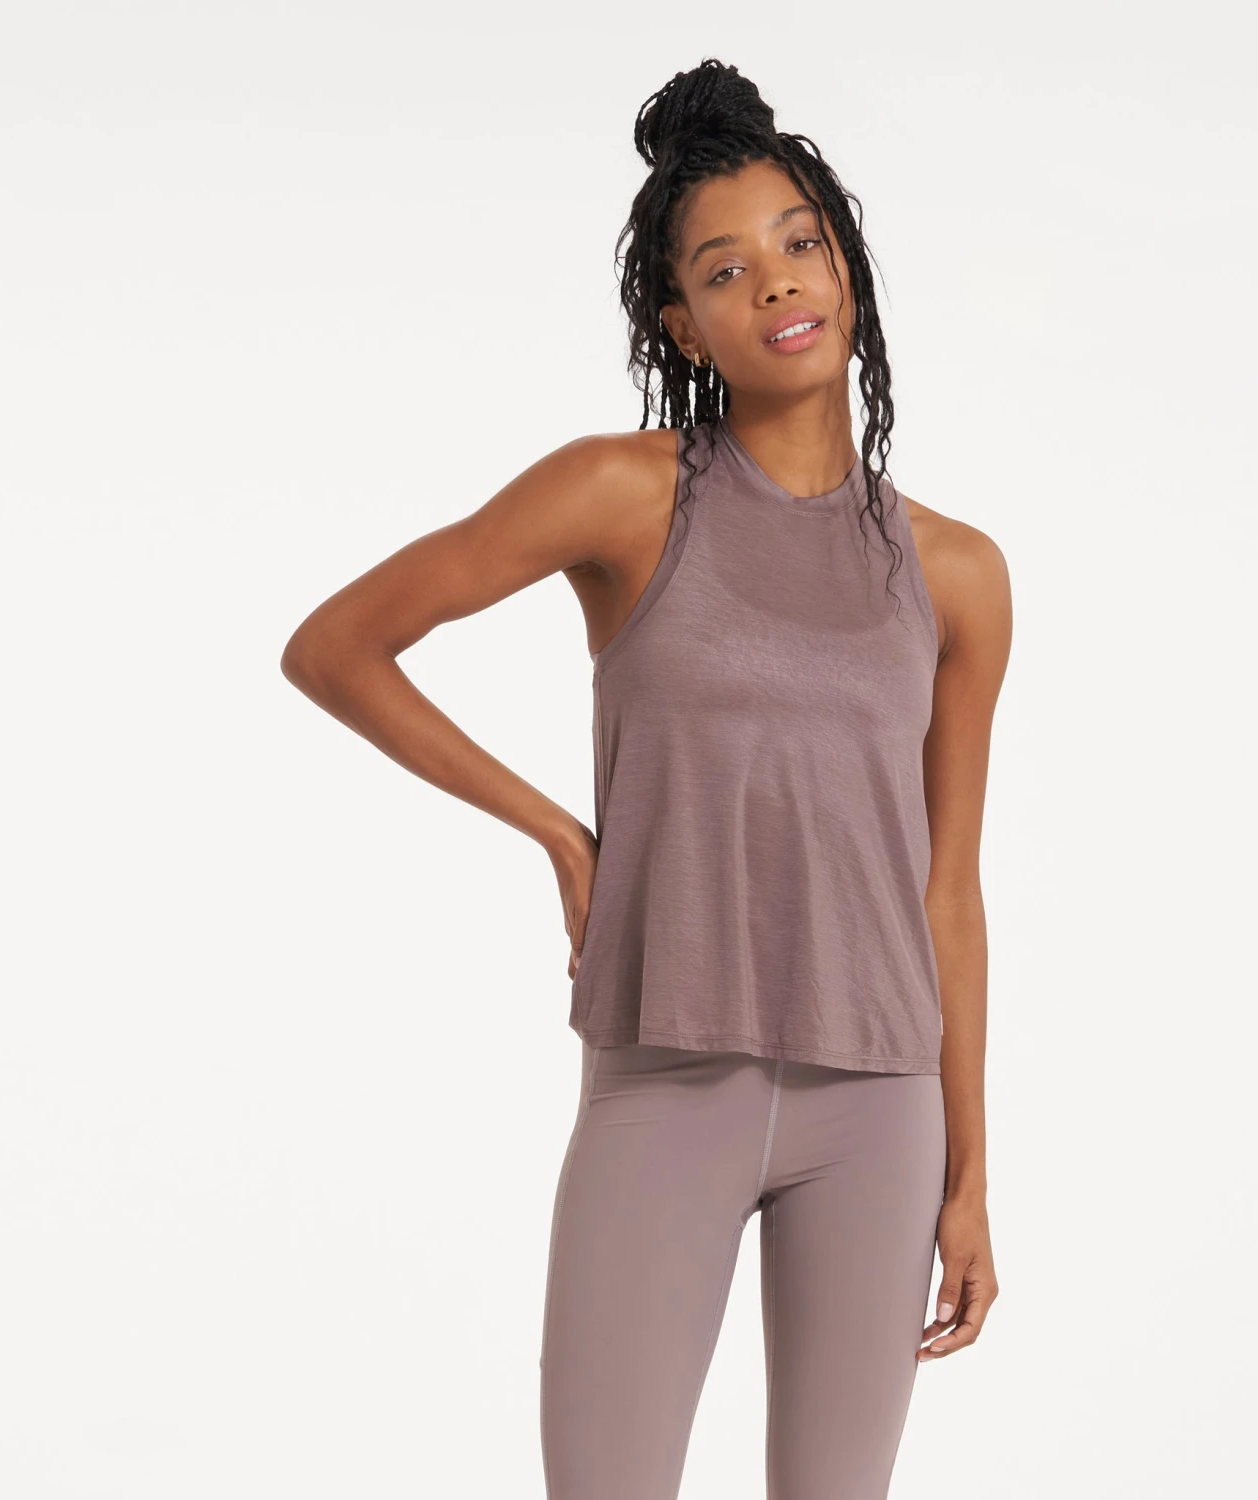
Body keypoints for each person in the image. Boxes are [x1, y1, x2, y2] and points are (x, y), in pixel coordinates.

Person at [281, 57, 1012, 1500]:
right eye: (725, 269)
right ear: (682, 322)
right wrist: (562, 836)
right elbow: (338, 647)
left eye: (800, 241)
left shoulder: (956, 572)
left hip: (881, 1106)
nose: (776, 280)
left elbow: (949, 891)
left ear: (846, 263)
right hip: (666, 1075)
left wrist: (971, 1173)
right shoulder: (626, 494)